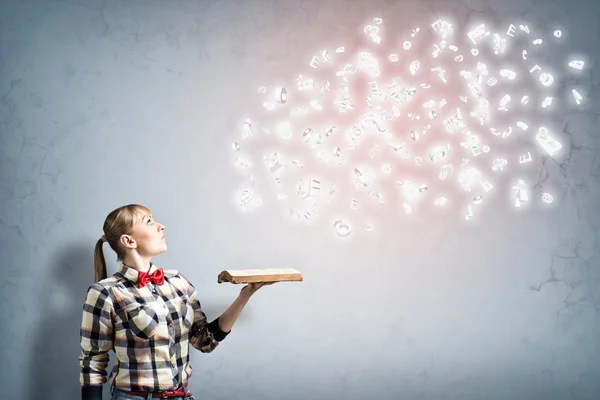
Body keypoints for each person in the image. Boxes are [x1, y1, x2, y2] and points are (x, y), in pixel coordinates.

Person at [79, 204, 273, 400]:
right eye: (149, 222)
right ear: (128, 241)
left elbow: (204, 341)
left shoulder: (178, 283)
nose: (161, 226)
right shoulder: (105, 292)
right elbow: (92, 364)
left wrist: (246, 294)